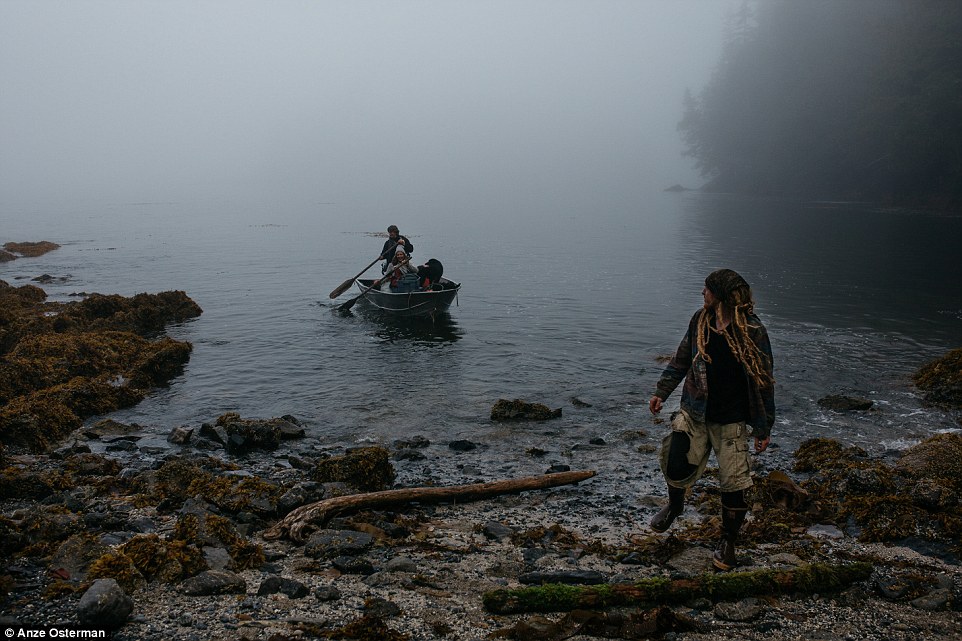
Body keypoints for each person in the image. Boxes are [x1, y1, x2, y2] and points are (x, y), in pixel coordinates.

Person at [647, 268, 775, 571]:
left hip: (731, 418)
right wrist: (661, 392)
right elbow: (680, 358)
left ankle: (728, 541)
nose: (702, 293)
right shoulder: (700, 321)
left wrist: (763, 426)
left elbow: (764, 379)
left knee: (734, 482)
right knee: (676, 460)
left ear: (719, 295)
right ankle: (675, 505)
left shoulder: (753, 331)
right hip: (695, 410)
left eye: (706, 289)